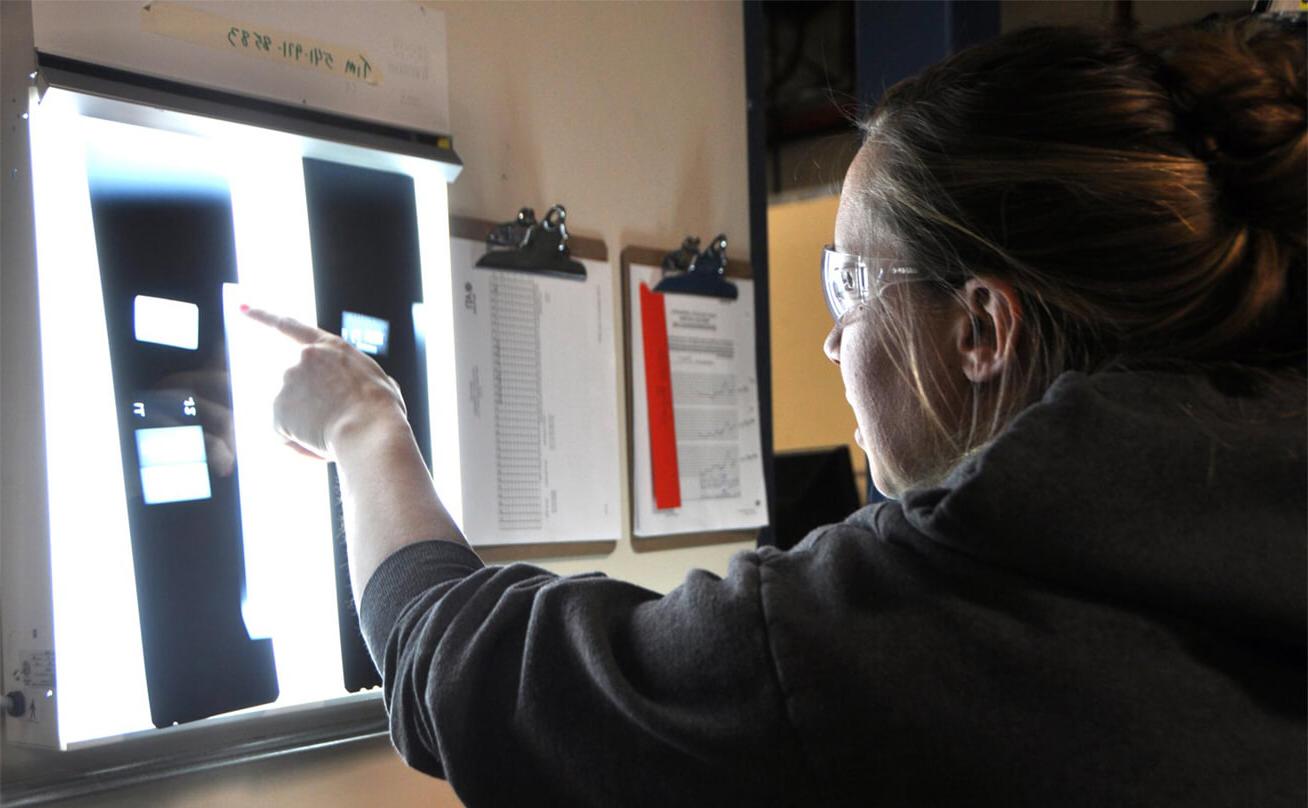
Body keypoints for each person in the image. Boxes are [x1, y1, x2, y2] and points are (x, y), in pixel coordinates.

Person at [246, 15, 1305, 807]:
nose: (834, 340)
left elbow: (470, 674)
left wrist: (361, 424)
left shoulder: (916, 618)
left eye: (851, 283)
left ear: (981, 329)